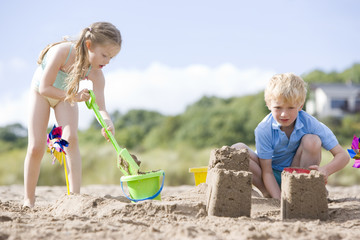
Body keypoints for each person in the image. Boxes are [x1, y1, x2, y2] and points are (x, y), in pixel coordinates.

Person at [23, 22, 122, 207]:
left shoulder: (97, 74)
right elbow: (45, 88)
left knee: (71, 139)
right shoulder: (63, 52)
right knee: (36, 147)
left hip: (66, 97)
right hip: (41, 93)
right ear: (89, 45)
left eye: (111, 58)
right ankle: (29, 199)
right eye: (105, 55)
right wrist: (74, 96)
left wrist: (107, 123)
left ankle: (74, 197)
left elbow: (101, 107)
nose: (107, 61)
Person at [232, 73, 349, 199]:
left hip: (296, 171)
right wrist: (280, 200)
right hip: (268, 175)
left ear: (300, 105)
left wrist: (326, 170)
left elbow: (343, 156)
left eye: (290, 108)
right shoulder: (264, 129)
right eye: (278, 107)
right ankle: (268, 193)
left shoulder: (311, 123)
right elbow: (267, 172)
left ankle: (305, 188)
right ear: (268, 104)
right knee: (237, 149)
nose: (284, 114)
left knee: (312, 140)